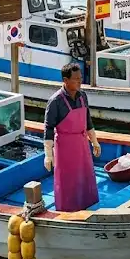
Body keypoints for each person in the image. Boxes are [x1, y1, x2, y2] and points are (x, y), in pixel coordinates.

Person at [44, 63, 101, 212]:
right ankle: (67, 209)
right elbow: (48, 128)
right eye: (76, 79)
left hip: (82, 144)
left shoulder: (83, 96)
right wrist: (48, 155)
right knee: (68, 180)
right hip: (65, 147)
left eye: (80, 78)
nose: (80, 81)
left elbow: (88, 121)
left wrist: (94, 141)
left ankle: (88, 204)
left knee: (86, 176)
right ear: (65, 80)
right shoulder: (55, 101)